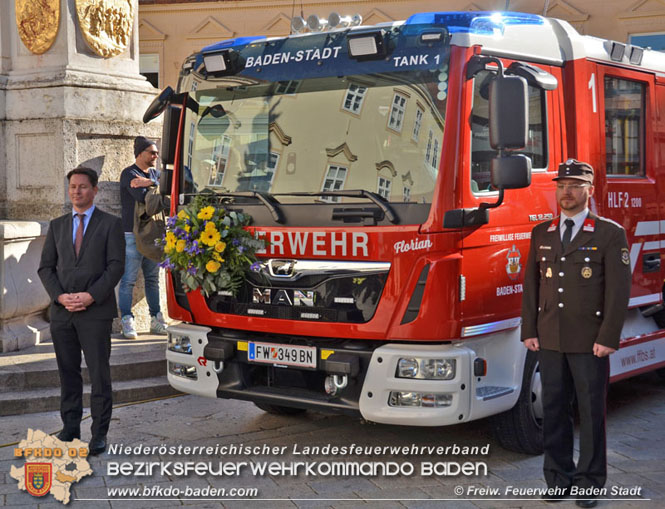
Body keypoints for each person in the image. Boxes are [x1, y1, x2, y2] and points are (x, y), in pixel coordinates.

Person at [521, 159, 632, 508]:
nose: (565, 192)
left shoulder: (609, 233)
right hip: (550, 336)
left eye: (573, 186)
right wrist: (529, 330)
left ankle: (588, 483)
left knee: (590, 411)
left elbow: (618, 292)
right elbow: (531, 287)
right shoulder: (542, 233)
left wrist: (608, 337)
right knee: (554, 409)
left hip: (590, 341)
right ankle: (558, 478)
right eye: (561, 185)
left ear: (589, 191)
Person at [38, 167, 125, 456]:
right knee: (68, 374)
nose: (77, 191)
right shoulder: (58, 225)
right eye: (73, 187)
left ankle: (99, 434)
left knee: (99, 375)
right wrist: (60, 296)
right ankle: (70, 427)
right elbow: (46, 268)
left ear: (95, 190)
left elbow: (116, 266)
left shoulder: (110, 224)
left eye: (83, 187)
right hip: (63, 314)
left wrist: (90, 296)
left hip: (95, 313)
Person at [118, 136, 168, 338]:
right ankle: (127, 320)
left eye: (156, 152)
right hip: (132, 233)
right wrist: (157, 186)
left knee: (152, 279)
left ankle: (156, 319)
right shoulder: (128, 173)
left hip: (154, 234)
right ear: (140, 153)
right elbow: (144, 198)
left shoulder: (155, 174)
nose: (156, 155)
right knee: (128, 279)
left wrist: (150, 182)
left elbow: (165, 194)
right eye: (152, 152)